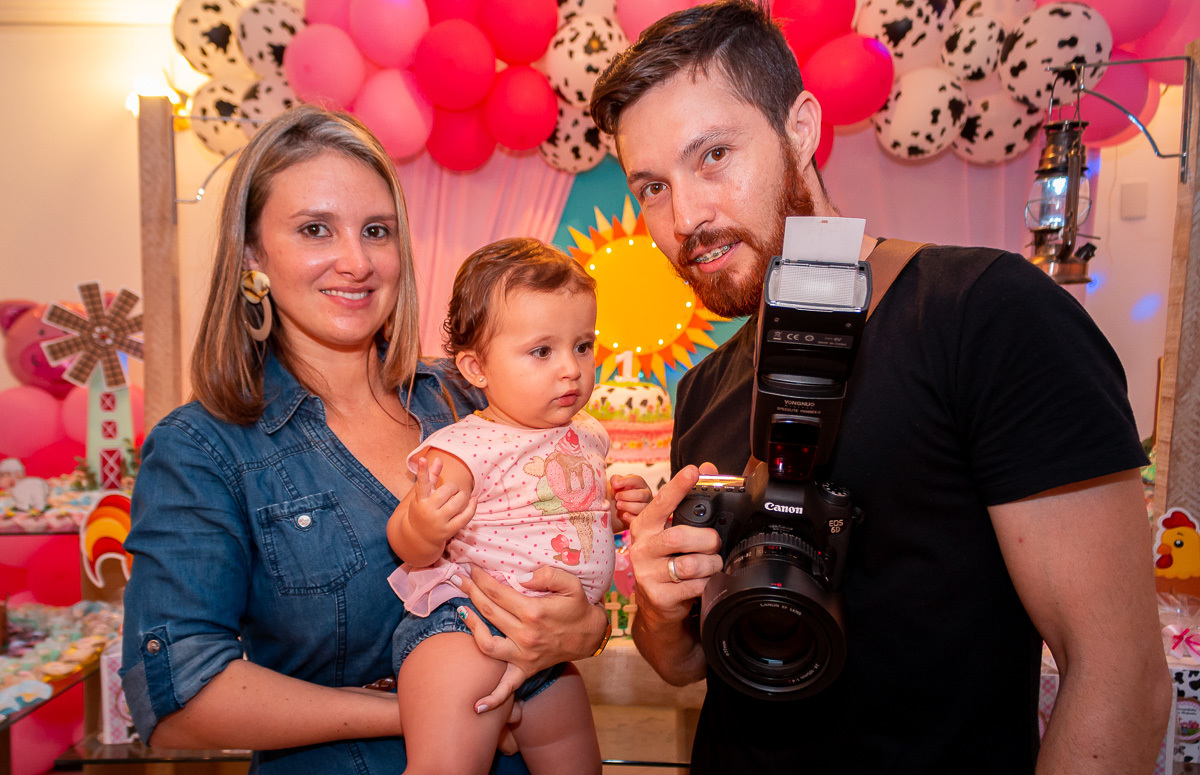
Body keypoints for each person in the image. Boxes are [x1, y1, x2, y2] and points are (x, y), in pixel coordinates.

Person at [589, 2, 1171, 773]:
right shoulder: (703, 387)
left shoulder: (986, 313)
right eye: (652, 187)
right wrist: (663, 606)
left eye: (715, 155)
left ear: (800, 128)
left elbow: (1120, 673)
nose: (687, 215)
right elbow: (691, 664)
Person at [119, 106, 611, 774]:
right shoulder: (203, 448)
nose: (355, 261)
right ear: (252, 255)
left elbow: (566, 550)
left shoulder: (472, 400)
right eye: (316, 229)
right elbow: (179, 698)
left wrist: (586, 629)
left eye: (376, 230)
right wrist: (428, 709)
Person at [386, 238, 651, 774]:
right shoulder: (464, 448)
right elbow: (405, 541)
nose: (572, 370)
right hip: (466, 631)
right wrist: (423, 523)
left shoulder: (588, 435)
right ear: (476, 368)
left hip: (553, 648)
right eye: (542, 351)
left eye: (582, 345)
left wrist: (617, 511)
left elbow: (572, 509)